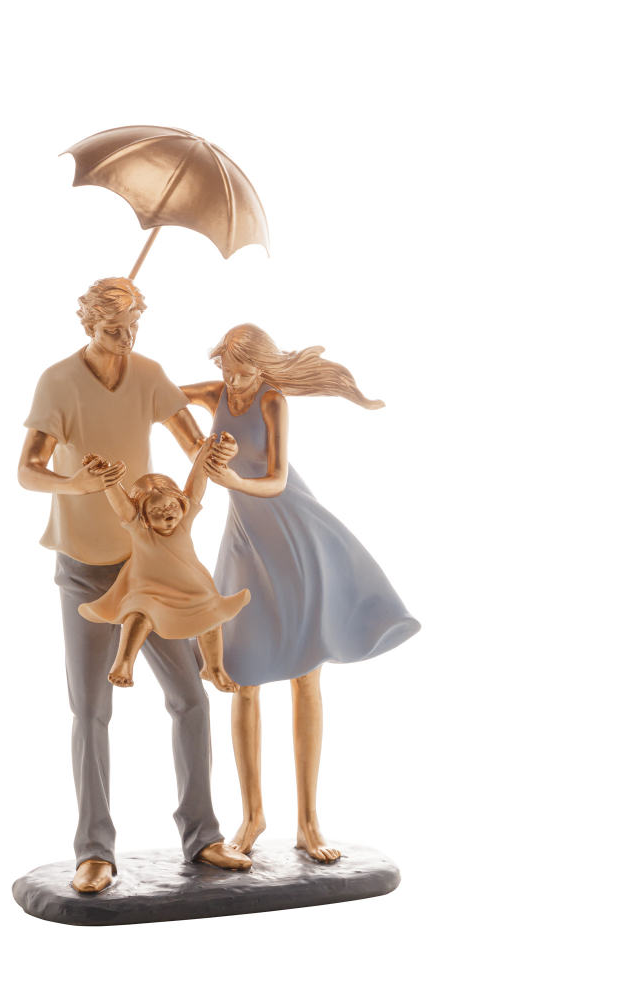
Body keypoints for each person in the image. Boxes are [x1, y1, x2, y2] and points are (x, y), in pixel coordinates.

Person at [18, 277, 250, 894]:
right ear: (87, 324)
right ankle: (94, 850)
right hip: (84, 566)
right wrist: (79, 483)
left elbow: (192, 442)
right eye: (112, 329)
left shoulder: (147, 373)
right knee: (92, 709)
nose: (126, 339)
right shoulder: (58, 382)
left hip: (149, 567)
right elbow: (28, 470)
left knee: (191, 697)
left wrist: (217, 452)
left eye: (133, 326)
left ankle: (202, 835)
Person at [181, 323, 421, 861]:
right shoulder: (214, 393)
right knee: (241, 675)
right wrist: (197, 448)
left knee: (304, 673)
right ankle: (252, 815)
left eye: (242, 370)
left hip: (290, 534)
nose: (232, 379)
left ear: (262, 367)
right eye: (226, 368)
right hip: (245, 543)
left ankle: (309, 823)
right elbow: (159, 398)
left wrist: (231, 480)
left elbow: (276, 479)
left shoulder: (272, 402)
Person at [78, 436, 249, 692]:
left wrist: (204, 453)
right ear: (144, 517)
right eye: (156, 512)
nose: (168, 515)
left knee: (212, 616)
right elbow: (123, 506)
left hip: (193, 587)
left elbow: (196, 483)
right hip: (149, 590)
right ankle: (124, 662)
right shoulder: (141, 529)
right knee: (138, 613)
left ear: (181, 503)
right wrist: (108, 479)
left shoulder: (184, 521)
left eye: (171, 507)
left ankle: (214, 668)